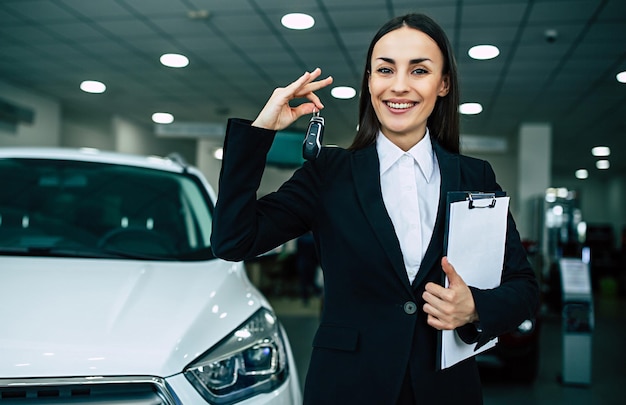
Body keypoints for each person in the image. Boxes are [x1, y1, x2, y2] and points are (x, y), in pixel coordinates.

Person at [211, 13, 539, 405]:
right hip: (348, 386)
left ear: (443, 83)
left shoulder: (475, 177)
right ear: (369, 81)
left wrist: (475, 308)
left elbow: (523, 286)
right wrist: (260, 131)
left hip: (445, 389)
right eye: (385, 70)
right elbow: (233, 239)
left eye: (419, 70)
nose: (399, 86)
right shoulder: (329, 174)